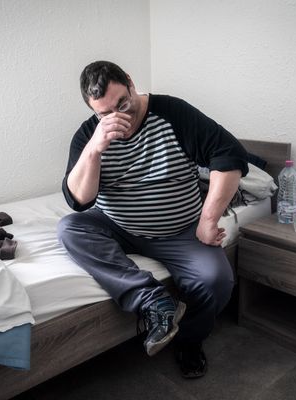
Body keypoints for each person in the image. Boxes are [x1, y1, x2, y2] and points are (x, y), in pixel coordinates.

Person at [57, 60, 248, 378]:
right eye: (105, 113)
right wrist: (94, 150)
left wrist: (207, 220)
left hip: (179, 230)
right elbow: (78, 200)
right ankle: (154, 301)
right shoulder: (90, 134)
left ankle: (189, 340)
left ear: (130, 82)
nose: (119, 117)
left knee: (216, 281)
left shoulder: (173, 113)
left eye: (123, 103)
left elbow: (229, 154)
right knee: (69, 228)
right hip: (119, 225)